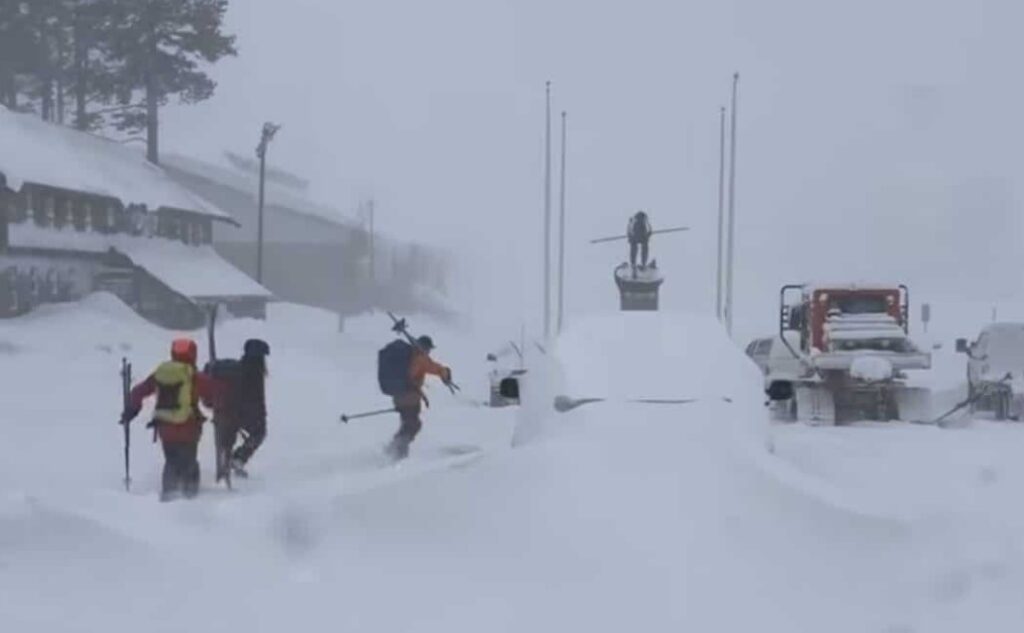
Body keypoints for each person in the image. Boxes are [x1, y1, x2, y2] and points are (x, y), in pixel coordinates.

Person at [121, 338, 221, 502]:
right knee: (189, 460)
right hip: (189, 427)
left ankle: (169, 495)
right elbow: (212, 397)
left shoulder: (161, 374)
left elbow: (139, 391)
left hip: (165, 428)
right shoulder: (194, 376)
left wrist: (131, 411)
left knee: (171, 460)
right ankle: (191, 499)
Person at [386, 335, 452, 461]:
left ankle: (395, 449)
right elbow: (434, 367)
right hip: (410, 398)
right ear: (425, 348)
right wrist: (445, 373)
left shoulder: (410, 355)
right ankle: (397, 452)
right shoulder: (420, 358)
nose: (429, 352)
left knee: (408, 424)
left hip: (399, 396)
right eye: (429, 349)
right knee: (413, 424)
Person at [215, 338, 270, 479]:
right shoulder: (255, 372)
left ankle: (228, 460)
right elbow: (257, 399)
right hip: (246, 413)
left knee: (228, 437)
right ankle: (236, 459)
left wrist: (213, 366)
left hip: (230, 410)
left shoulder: (237, 367)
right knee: (259, 433)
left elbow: (219, 367)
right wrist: (261, 416)